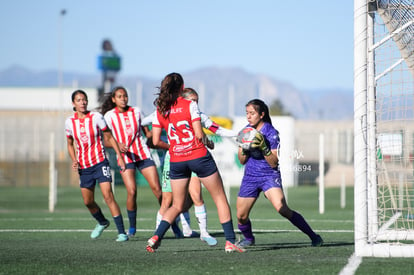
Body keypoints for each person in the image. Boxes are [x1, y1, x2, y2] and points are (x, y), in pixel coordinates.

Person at [146, 72, 244, 253]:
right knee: (220, 198)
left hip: (176, 160)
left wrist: (174, 147)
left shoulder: (160, 110)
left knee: (176, 205)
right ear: (182, 87)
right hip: (198, 156)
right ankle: (230, 241)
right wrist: (209, 141)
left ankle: (156, 236)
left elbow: (155, 141)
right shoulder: (190, 105)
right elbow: (199, 134)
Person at [236, 99, 323, 248]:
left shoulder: (271, 133)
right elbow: (242, 161)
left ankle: (314, 237)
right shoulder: (246, 132)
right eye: (247, 113)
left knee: (282, 208)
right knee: (241, 216)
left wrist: (264, 147)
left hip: (269, 175)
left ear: (261, 114)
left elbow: (273, 162)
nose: (248, 117)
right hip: (250, 176)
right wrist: (243, 148)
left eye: (252, 113)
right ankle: (249, 239)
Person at [100, 86, 168, 237]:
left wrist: (154, 138)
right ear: (113, 99)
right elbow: (106, 140)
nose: (123, 99)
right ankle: (132, 227)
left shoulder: (137, 111)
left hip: (142, 154)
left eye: (125, 96)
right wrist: (117, 145)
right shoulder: (109, 116)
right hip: (124, 157)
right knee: (132, 191)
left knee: (157, 189)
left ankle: (171, 223)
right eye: (119, 96)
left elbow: (147, 132)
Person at [65, 89, 128, 242]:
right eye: (79, 100)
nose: (83, 102)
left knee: (108, 195)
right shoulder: (69, 122)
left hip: (100, 162)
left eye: (84, 99)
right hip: (84, 167)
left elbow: (110, 137)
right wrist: (74, 159)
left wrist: (120, 156)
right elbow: (69, 143)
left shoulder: (96, 117)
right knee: (88, 201)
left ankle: (122, 233)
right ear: (73, 103)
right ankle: (102, 222)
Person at [176, 87, 237, 246]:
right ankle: (162, 231)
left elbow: (217, 130)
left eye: (197, 100)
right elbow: (152, 123)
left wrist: (237, 134)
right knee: (173, 201)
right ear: (184, 100)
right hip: (180, 158)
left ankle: (203, 232)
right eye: (192, 100)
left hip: (196, 158)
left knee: (196, 196)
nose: (195, 103)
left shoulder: (199, 115)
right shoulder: (173, 113)